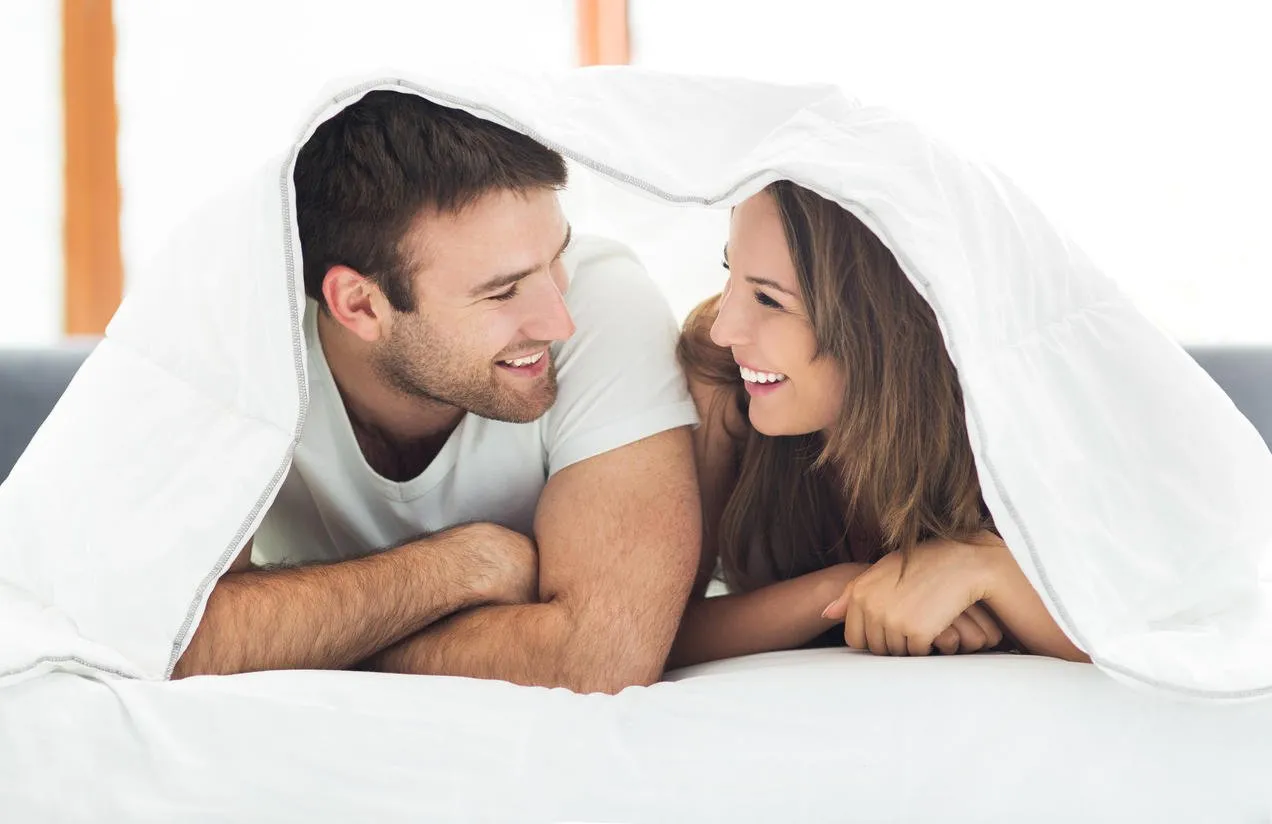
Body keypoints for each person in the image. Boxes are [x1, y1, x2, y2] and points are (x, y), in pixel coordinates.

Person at [173, 90, 702, 694]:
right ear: (360, 305)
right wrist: (463, 566)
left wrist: (300, 637)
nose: (559, 322)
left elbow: (596, 658)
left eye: (556, 258)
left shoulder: (606, 300)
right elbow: (177, 640)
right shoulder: (241, 342)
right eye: (501, 293)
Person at [668, 180, 1089, 667]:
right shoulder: (721, 375)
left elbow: (1145, 644)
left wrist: (987, 568)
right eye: (730, 271)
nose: (725, 328)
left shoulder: (1012, 414)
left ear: (882, 327)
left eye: (768, 300)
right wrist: (846, 588)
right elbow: (652, 629)